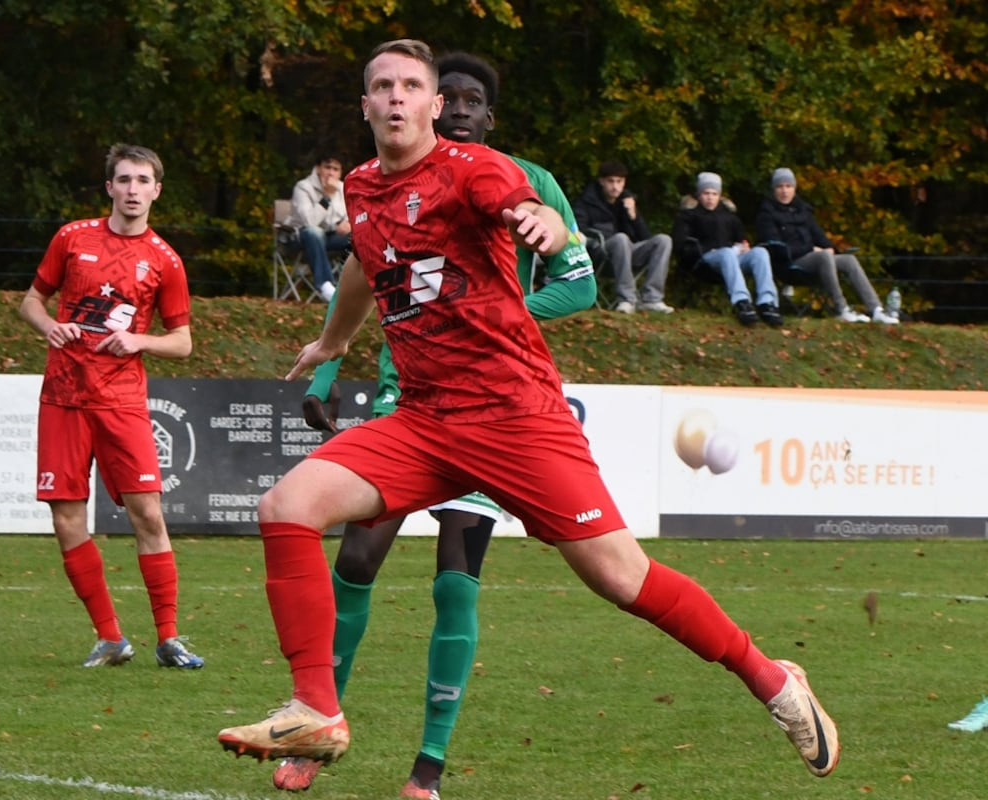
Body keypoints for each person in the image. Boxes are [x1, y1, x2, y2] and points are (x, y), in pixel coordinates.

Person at [217, 37, 839, 790]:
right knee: (287, 506)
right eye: (381, 86)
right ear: (366, 106)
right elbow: (360, 262)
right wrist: (332, 340)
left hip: (515, 417)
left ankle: (774, 682)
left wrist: (543, 221)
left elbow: (518, 202)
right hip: (422, 419)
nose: (395, 97)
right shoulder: (361, 187)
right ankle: (317, 708)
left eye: (410, 85)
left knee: (622, 579)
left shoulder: (474, 168)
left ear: (434, 105)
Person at [272, 50, 597, 800]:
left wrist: (490, 318)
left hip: (495, 404)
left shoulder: (529, 181)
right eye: (440, 94)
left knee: (456, 582)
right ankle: (319, 734)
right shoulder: (385, 179)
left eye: (470, 99)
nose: (454, 107)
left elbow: (579, 287)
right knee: (355, 559)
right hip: (408, 402)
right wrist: (326, 370)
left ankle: (428, 767)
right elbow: (361, 271)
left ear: (491, 114)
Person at [18, 143, 204, 670]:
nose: (132, 190)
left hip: (122, 402)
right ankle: (110, 637)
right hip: (64, 397)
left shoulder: (165, 260)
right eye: (123, 180)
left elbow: (183, 342)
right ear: (109, 188)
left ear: (156, 190)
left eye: (142, 181)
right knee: (67, 519)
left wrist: (140, 342)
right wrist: (51, 325)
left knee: (148, 513)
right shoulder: (72, 238)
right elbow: (30, 301)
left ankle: (168, 638)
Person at [754, 168, 898, 324]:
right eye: (780, 186)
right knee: (823, 256)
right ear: (774, 189)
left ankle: (876, 309)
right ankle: (841, 308)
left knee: (848, 260)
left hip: (815, 259)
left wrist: (829, 247)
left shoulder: (803, 210)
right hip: (789, 265)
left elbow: (819, 235)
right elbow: (777, 249)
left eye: (788, 186)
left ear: (794, 188)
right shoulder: (766, 214)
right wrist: (812, 249)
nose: (784, 191)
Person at [672, 171, 783, 327]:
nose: (710, 197)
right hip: (704, 260)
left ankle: (768, 303)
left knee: (760, 252)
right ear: (699, 194)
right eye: (706, 193)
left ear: (720, 195)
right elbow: (680, 243)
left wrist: (744, 245)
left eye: (714, 193)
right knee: (726, 253)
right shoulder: (688, 215)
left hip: (732, 257)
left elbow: (742, 238)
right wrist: (704, 251)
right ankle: (742, 302)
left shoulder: (729, 216)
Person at [573, 161, 674, 314]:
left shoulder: (626, 201)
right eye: (611, 181)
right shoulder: (586, 202)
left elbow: (645, 237)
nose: (615, 186)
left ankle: (651, 299)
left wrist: (634, 217)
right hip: (601, 254)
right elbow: (580, 233)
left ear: (624, 182)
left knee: (663, 240)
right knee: (621, 238)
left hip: (630, 252)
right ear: (601, 181)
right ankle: (627, 299)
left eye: (619, 181)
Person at [287, 154, 352, 302]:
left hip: (331, 237)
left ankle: (353, 288)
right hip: (302, 238)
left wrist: (349, 223)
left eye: (335, 169)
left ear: (340, 172)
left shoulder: (343, 188)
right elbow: (309, 221)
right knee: (314, 232)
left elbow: (355, 212)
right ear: (318, 168)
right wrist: (327, 196)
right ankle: (326, 286)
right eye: (327, 167)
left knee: (360, 236)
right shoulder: (303, 187)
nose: (331, 173)